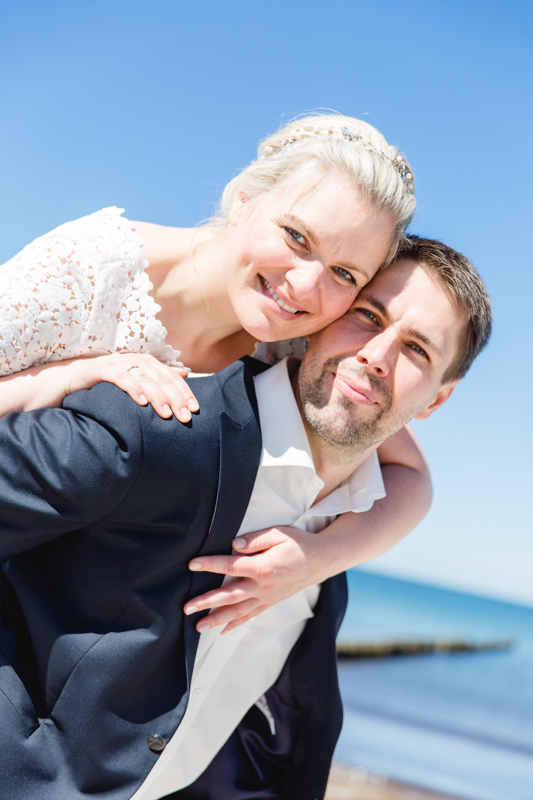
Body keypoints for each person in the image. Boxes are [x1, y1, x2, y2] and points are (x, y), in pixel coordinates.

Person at [0, 236, 491, 800]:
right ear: (320, 320)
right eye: (366, 315)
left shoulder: (343, 532)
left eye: (417, 350)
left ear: (435, 401)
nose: (376, 355)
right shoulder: (158, 429)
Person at [0, 113, 430, 631]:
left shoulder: (296, 341)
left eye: (344, 273)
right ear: (244, 199)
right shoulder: (92, 264)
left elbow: (412, 479)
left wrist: (316, 559)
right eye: (296, 236)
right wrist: (75, 376)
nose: (305, 285)